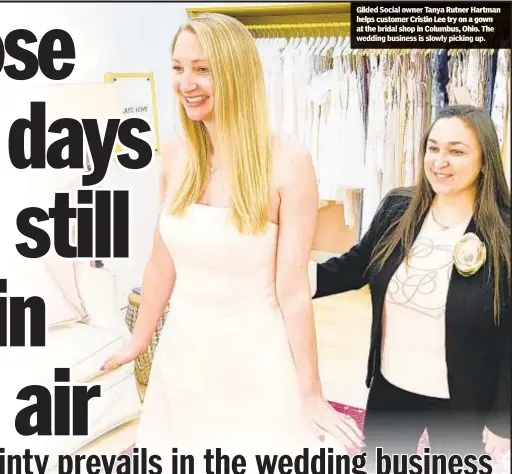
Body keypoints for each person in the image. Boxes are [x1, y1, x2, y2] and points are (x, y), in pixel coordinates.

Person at [101, 12, 364, 470]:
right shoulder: (175, 156)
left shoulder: (288, 163)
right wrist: (139, 342)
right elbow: (161, 264)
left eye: (203, 68)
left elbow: (293, 289)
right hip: (183, 355)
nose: (187, 83)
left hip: (257, 359)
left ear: (237, 72)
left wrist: (311, 392)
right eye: (179, 68)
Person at [311, 105, 510, 463]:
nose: (439, 161)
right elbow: (357, 265)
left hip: (463, 401)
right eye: (433, 148)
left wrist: (502, 419)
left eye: (457, 151)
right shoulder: (398, 208)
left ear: (485, 161)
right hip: (392, 386)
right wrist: (295, 279)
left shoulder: (504, 233)